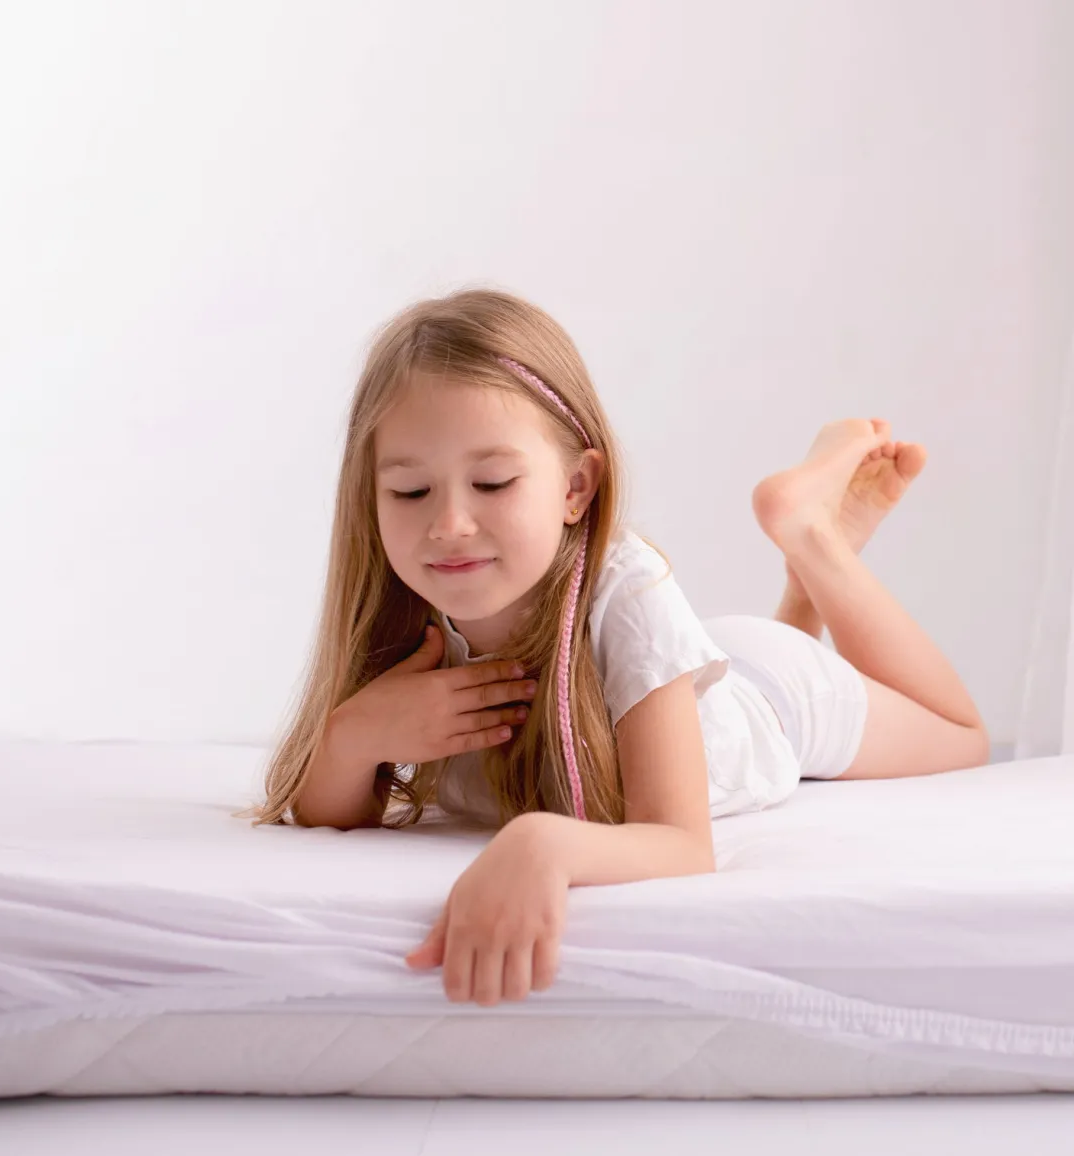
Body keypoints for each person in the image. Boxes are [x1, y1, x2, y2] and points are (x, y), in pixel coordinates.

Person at [251, 288, 989, 1007]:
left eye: (493, 482)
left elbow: (682, 844)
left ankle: (812, 537)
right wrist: (352, 739)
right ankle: (802, 586)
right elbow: (328, 817)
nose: (448, 524)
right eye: (410, 492)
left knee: (962, 737)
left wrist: (542, 844)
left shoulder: (628, 590)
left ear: (576, 488)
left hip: (773, 699)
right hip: (688, 671)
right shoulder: (403, 607)